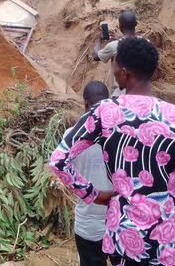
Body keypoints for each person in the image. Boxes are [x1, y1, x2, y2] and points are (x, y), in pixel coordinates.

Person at [51, 38, 175, 266]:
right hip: (167, 240)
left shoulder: (104, 113)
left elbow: (59, 160)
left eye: (114, 67)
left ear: (123, 73)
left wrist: (94, 195)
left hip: (124, 239)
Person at [71, 81, 113, 266]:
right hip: (119, 219)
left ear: (85, 105)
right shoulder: (121, 135)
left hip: (88, 223)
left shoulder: (71, 137)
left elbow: (59, 168)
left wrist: (92, 194)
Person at [93, 10, 139, 96]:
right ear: (135, 24)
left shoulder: (114, 46)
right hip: (141, 94)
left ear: (120, 26)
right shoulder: (146, 43)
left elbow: (95, 56)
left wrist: (99, 39)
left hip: (120, 95)